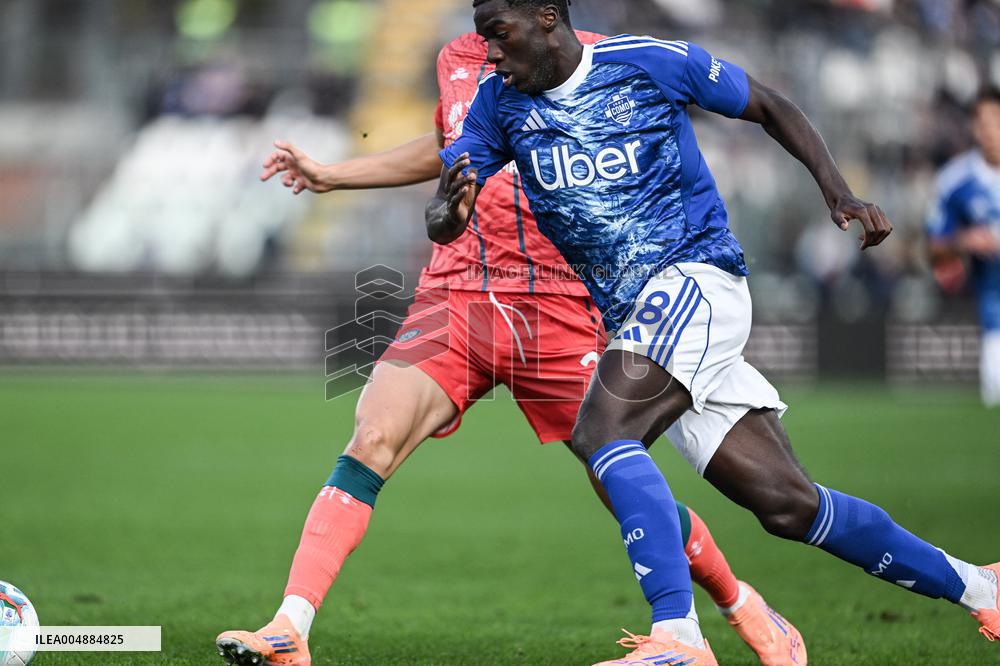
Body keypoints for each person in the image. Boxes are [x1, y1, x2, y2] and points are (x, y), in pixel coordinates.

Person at [427, 1, 1000, 663]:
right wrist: (449, 213)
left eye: (499, 35)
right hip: (641, 320)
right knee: (789, 506)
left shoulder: (648, 63)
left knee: (602, 433)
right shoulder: (497, 105)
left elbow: (770, 106)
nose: (491, 54)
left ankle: (678, 636)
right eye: (483, 39)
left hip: (697, 279)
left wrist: (838, 191)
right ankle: (981, 587)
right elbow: (444, 211)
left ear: (548, 17)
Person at [214, 29, 804, 666]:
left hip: (555, 300)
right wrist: (335, 176)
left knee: (618, 477)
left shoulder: (593, 57)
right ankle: (290, 628)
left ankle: (739, 604)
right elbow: (449, 148)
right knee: (372, 436)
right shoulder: (456, 57)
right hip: (455, 294)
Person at [927, 87, 1000, 408]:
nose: (991, 131)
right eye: (983, 123)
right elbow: (934, 249)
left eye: (997, 121)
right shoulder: (954, 181)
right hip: (995, 323)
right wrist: (965, 240)